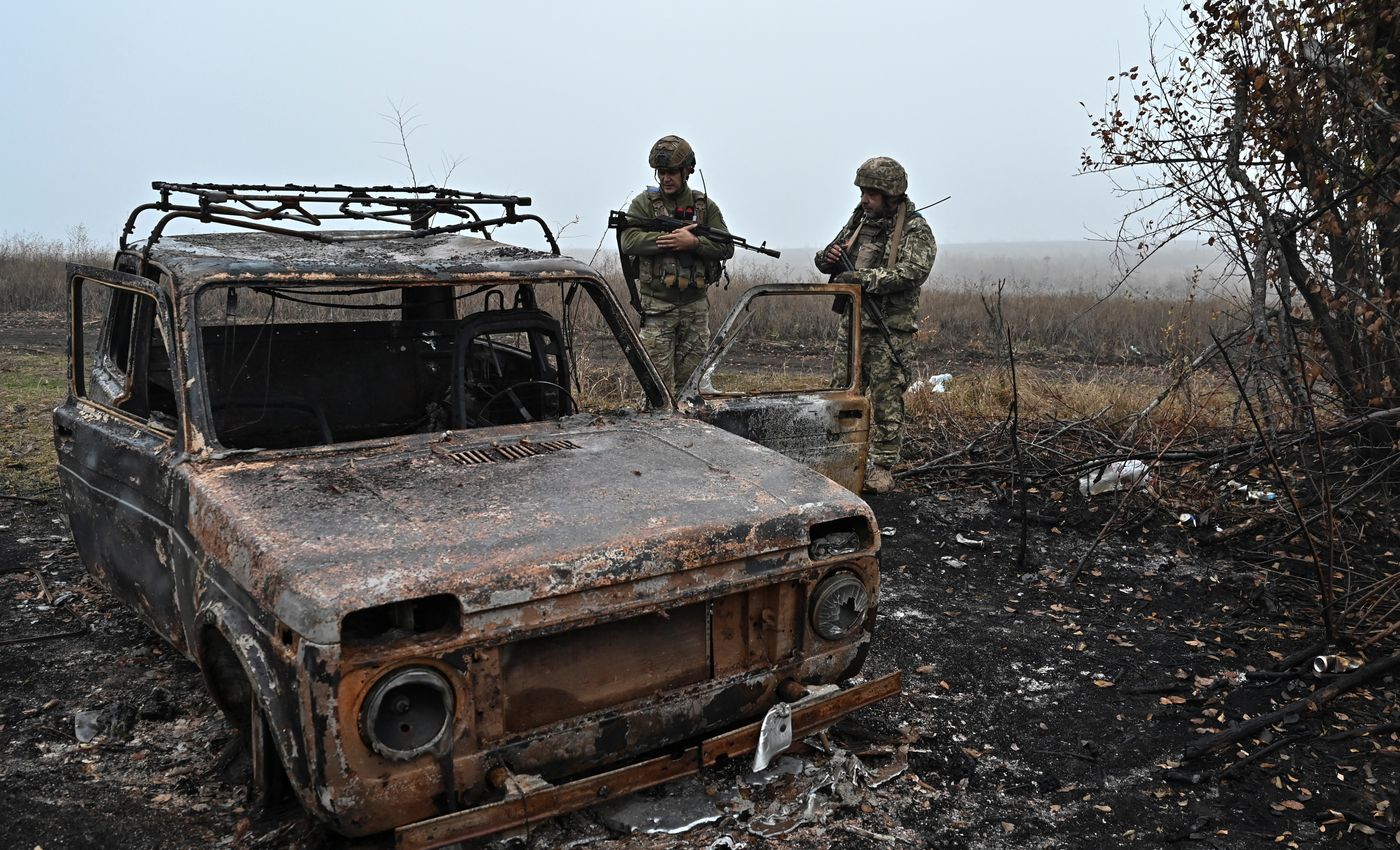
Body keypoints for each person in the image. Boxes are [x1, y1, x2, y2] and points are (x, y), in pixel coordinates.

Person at [814, 156, 936, 494]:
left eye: (871, 193)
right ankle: (838, 458)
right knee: (841, 393)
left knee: (886, 399)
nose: (864, 199)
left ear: (891, 194)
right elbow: (828, 257)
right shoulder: (859, 221)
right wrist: (829, 258)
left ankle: (881, 467)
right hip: (853, 323)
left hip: (889, 328)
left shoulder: (915, 228)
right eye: (862, 192)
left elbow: (912, 271)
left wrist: (864, 279)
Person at [618, 135, 735, 394]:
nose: (665, 178)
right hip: (657, 308)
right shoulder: (644, 204)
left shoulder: (704, 207)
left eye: (671, 172)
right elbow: (629, 240)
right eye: (661, 173)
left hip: (695, 309)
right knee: (655, 390)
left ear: (686, 171)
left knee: (692, 388)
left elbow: (727, 246)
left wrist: (694, 244)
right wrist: (670, 241)